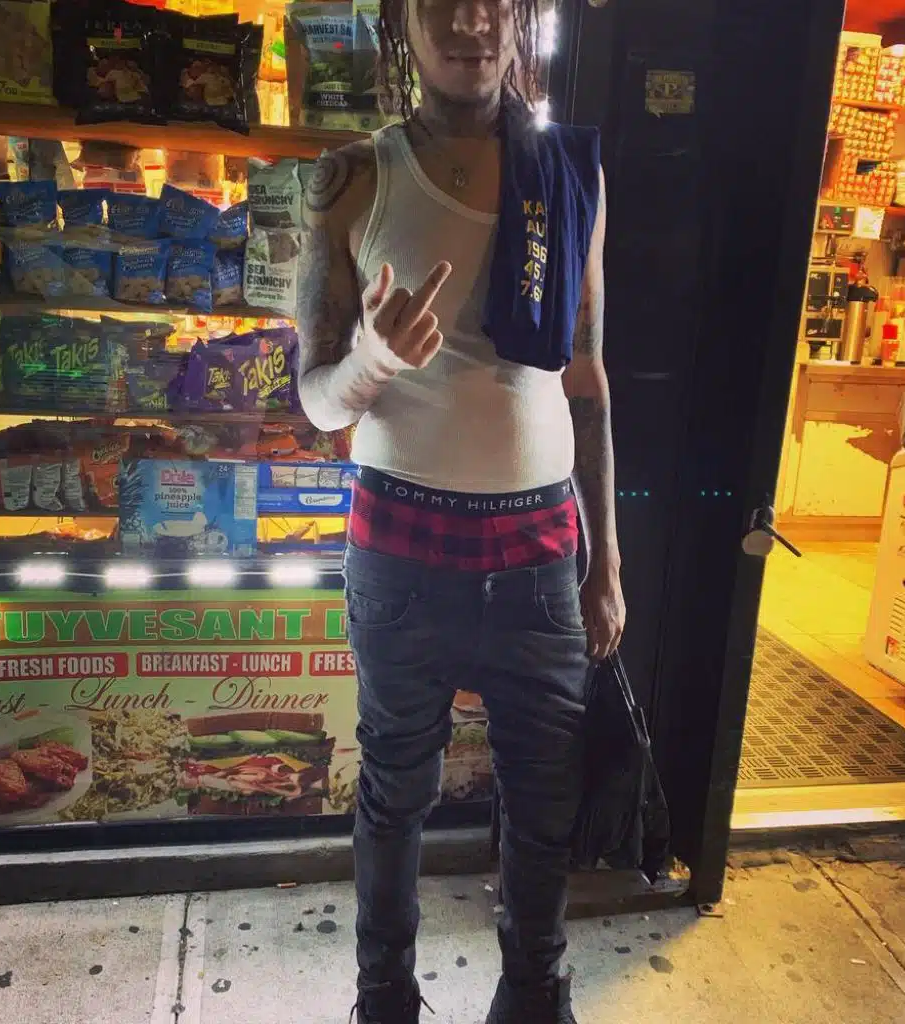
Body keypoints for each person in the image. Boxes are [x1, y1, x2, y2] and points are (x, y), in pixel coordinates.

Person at [295, 0, 625, 1020]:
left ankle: (532, 997)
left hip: (541, 550)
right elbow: (315, 401)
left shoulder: (568, 173)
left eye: (494, 0)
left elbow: (586, 376)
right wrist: (370, 362)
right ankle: (384, 997)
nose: (470, 19)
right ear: (403, 19)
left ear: (519, 20)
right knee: (396, 791)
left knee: (545, 800)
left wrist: (608, 564)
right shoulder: (353, 179)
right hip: (402, 549)